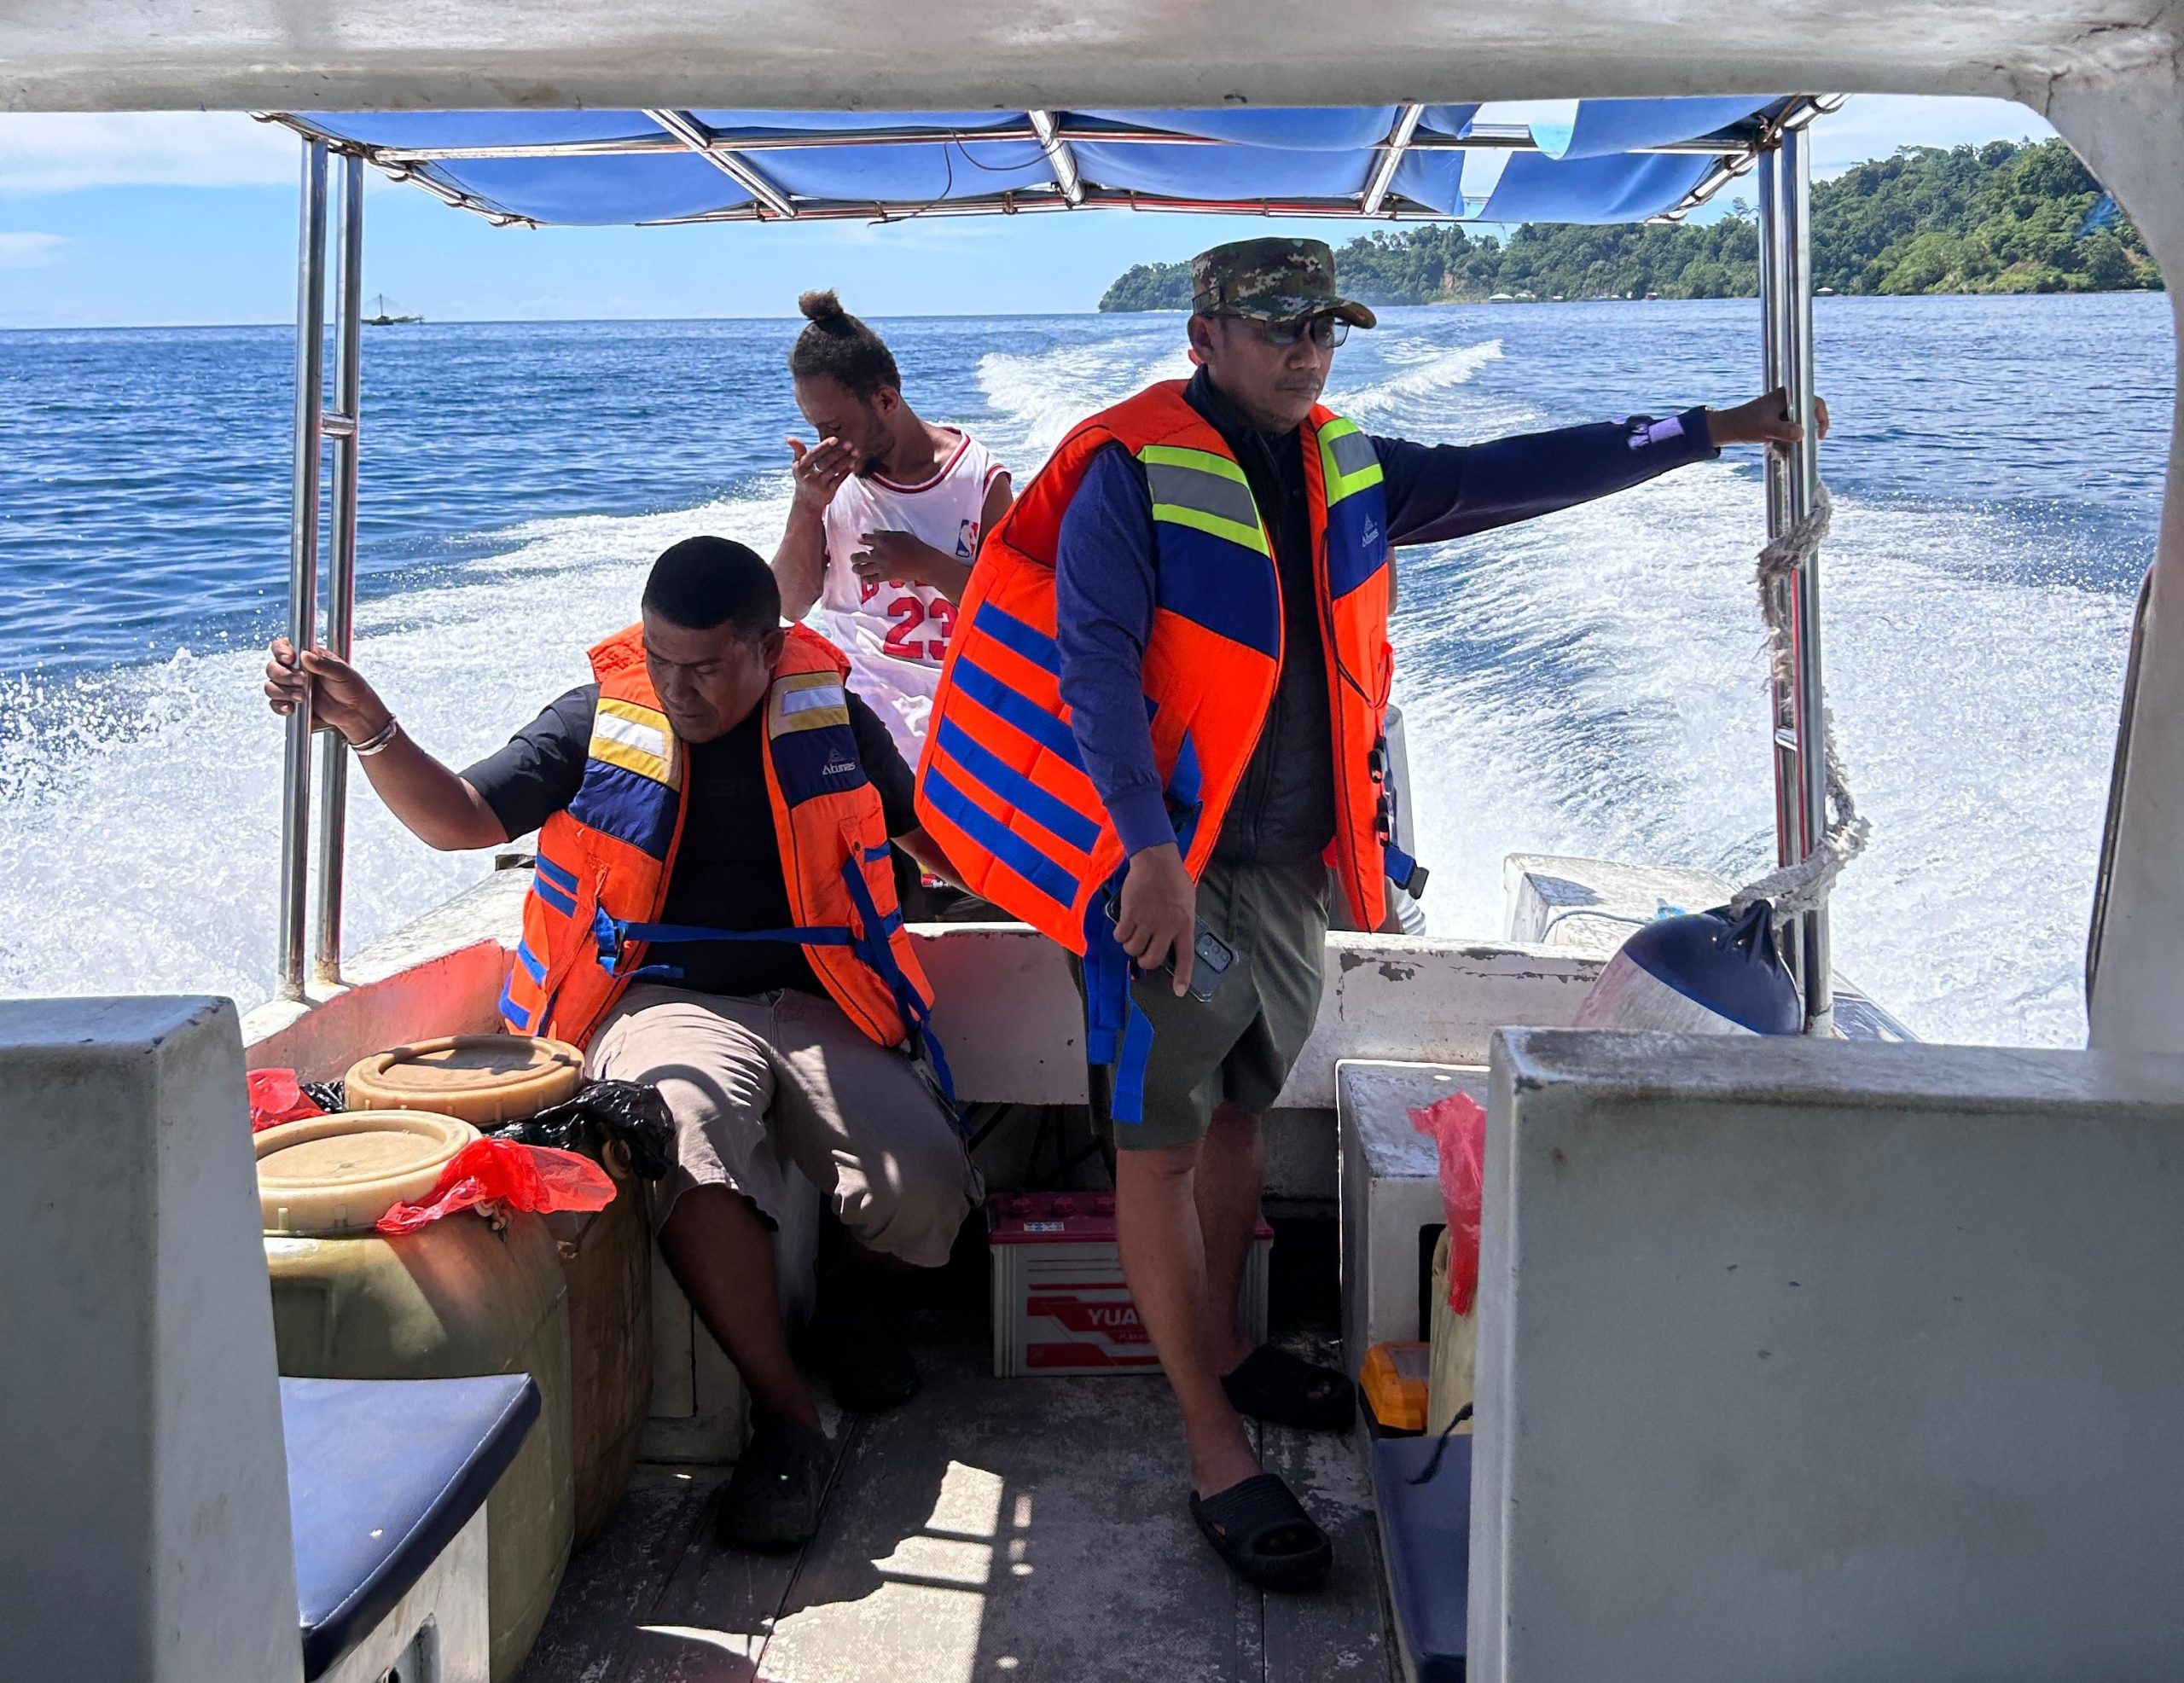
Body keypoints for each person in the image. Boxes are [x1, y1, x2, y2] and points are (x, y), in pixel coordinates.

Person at [914, 236, 1827, 1589]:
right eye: (1278, 326)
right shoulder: (1129, 468)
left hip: (1289, 868)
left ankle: (1230, 1343)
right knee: (1154, 1150)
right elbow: (1091, 663)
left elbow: (1510, 473)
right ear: (1203, 337)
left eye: (1324, 327)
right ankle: (1212, 1443)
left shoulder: (1346, 465)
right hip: (1169, 868)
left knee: (1241, 1110)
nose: (1307, 350)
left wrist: (1708, 431)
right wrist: (1148, 853)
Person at [263, 536, 982, 1552]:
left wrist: (1077, 883)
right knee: (680, 1138)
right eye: (660, 659)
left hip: (820, 994)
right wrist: (371, 728)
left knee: (930, 1189)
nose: (678, 690)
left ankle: (852, 1312)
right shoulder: (597, 719)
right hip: (659, 999)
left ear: (768, 648)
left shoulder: (830, 716)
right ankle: (787, 1417)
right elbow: (461, 819)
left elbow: (930, 842)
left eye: (706, 667)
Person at [772, 289, 1014, 766]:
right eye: (816, 429)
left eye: (834, 428)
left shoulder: (980, 480)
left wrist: (925, 564)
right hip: (861, 710)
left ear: (885, 400)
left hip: (958, 703)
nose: (825, 445)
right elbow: (789, 604)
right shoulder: (831, 485)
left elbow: (1010, 615)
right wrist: (806, 507)